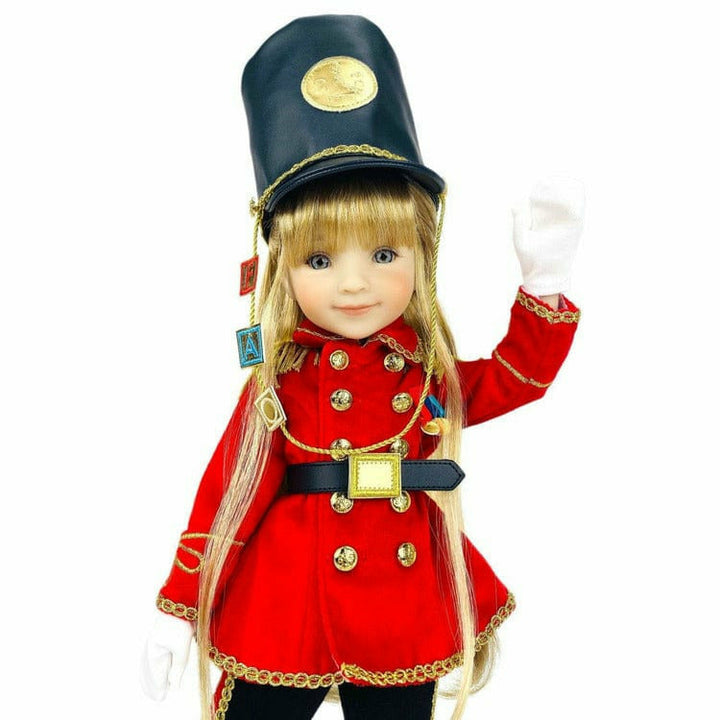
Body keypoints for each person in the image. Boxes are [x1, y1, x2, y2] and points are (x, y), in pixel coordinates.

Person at [141, 15, 583, 720]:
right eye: (320, 259)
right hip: (288, 598)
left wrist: (544, 286)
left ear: (422, 254)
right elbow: (229, 491)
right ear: (283, 269)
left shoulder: (423, 376)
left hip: (399, 601)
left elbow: (515, 378)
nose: (354, 285)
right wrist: (179, 607)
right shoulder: (279, 382)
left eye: (383, 254)